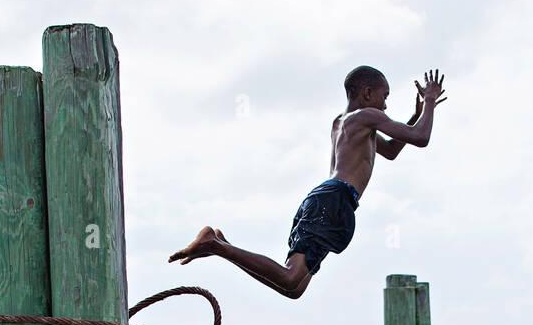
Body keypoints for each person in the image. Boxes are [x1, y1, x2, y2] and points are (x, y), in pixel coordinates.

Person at [168, 65, 447, 298]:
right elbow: (420, 138)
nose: (386, 105)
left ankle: (221, 246)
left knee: (294, 289)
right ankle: (216, 246)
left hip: (329, 199)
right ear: (367, 93)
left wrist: (416, 114)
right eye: (384, 97)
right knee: (290, 278)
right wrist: (431, 102)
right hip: (334, 199)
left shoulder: (344, 122)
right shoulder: (368, 116)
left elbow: (393, 150)